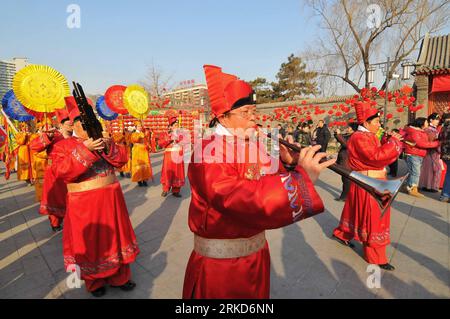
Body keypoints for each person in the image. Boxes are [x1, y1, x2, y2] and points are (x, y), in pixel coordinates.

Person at [182, 65, 335, 298]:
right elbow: (239, 197)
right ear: (223, 116)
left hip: (256, 257)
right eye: (245, 112)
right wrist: (301, 178)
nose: (254, 117)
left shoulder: (251, 145)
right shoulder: (208, 151)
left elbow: (269, 179)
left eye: (254, 110)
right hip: (222, 268)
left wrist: (291, 164)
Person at [52, 107, 139, 297]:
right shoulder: (63, 146)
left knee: (117, 238)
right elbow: (61, 172)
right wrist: (86, 150)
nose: (91, 128)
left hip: (111, 200)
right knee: (90, 243)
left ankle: (120, 277)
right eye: (85, 124)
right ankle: (95, 282)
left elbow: (122, 160)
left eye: (93, 124)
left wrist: (109, 147)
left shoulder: (103, 138)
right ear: (75, 125)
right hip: (84, 205)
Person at [332, 102, 403, 271]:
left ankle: (342, 234)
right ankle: (376, 257)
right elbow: (375, 157)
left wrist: (387, 141)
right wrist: (393, 143)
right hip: (370, 183)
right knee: (375, 219)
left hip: (366, 181)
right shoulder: (360, 137)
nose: (379, 125)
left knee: (355, 211)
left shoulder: (366, 135)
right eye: (376, 122)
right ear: (365, 123)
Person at [30, 109, 74, 231]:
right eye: (69, 124)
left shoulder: (77, 137)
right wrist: (45, 137)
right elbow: (33, 147)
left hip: (72, 172)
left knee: (71, 198)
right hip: (55, 174)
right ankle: (55, 223)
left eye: (73, 124)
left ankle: (72, 220)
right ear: (61, 124)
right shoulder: (53, 136)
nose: (72, 126)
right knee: (55, 200)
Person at [403, 117, 440, 198]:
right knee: (416, 172)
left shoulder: (419, 131)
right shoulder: (415, 132)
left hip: (417, 154)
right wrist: (436, 143)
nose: (427, 124)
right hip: (414, 154)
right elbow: (421, 143)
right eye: (426, 122)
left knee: (413, 172)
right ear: (421, 123)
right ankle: (413, 189)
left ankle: (408, 187)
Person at [158, 117, 186, 198]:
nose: (176, 127)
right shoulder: (165, 134)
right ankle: (165, 189)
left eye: (177, 125)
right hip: (169, 156)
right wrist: (170, 138)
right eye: (174, 125)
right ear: (170, 126)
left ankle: (176, 190)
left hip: (178, 155)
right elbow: (160, 144)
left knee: (178, 172)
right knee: (168, 172)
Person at [334, 122, 359, 201]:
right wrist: (336, 134)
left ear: (352, 129)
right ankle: (346, 196)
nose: (347, 128)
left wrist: (339, 135)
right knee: (345, 180)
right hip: (344, 160)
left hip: (348, 161)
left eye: (349, 127)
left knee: (347, 180)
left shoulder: (354, 136)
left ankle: (345, 197)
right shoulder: (350, 135)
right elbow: (342, 139)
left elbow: (346, 144)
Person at [419, 113, 442, 193]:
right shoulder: (429, 129)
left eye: (438, 120)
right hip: (431, 151)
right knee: (432, 169)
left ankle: (429, 186)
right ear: (431, 120)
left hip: (433, 151)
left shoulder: (434, 129)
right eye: (436, 119)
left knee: (431, 169)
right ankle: (429, 186)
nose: (437, 121)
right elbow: (431, 140)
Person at [130, 122, 153, 187]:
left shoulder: (143, 133)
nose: (140, 127)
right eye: (138, 126)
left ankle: (145, 179)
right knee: (138, 165)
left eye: (140, 126)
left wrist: (149, 146)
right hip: (137, 150)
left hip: (144, 150)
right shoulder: (134, 134)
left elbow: (146, 141)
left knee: (145, 165)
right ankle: (139, 180)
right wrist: (139, 136)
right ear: (136, 127)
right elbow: (134, 140)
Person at [438, 113, 450, 202]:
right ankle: (445, 195)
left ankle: (445, 195)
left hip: (445, 154)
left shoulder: (443, 127)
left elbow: (439, 138)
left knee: (448, 174)